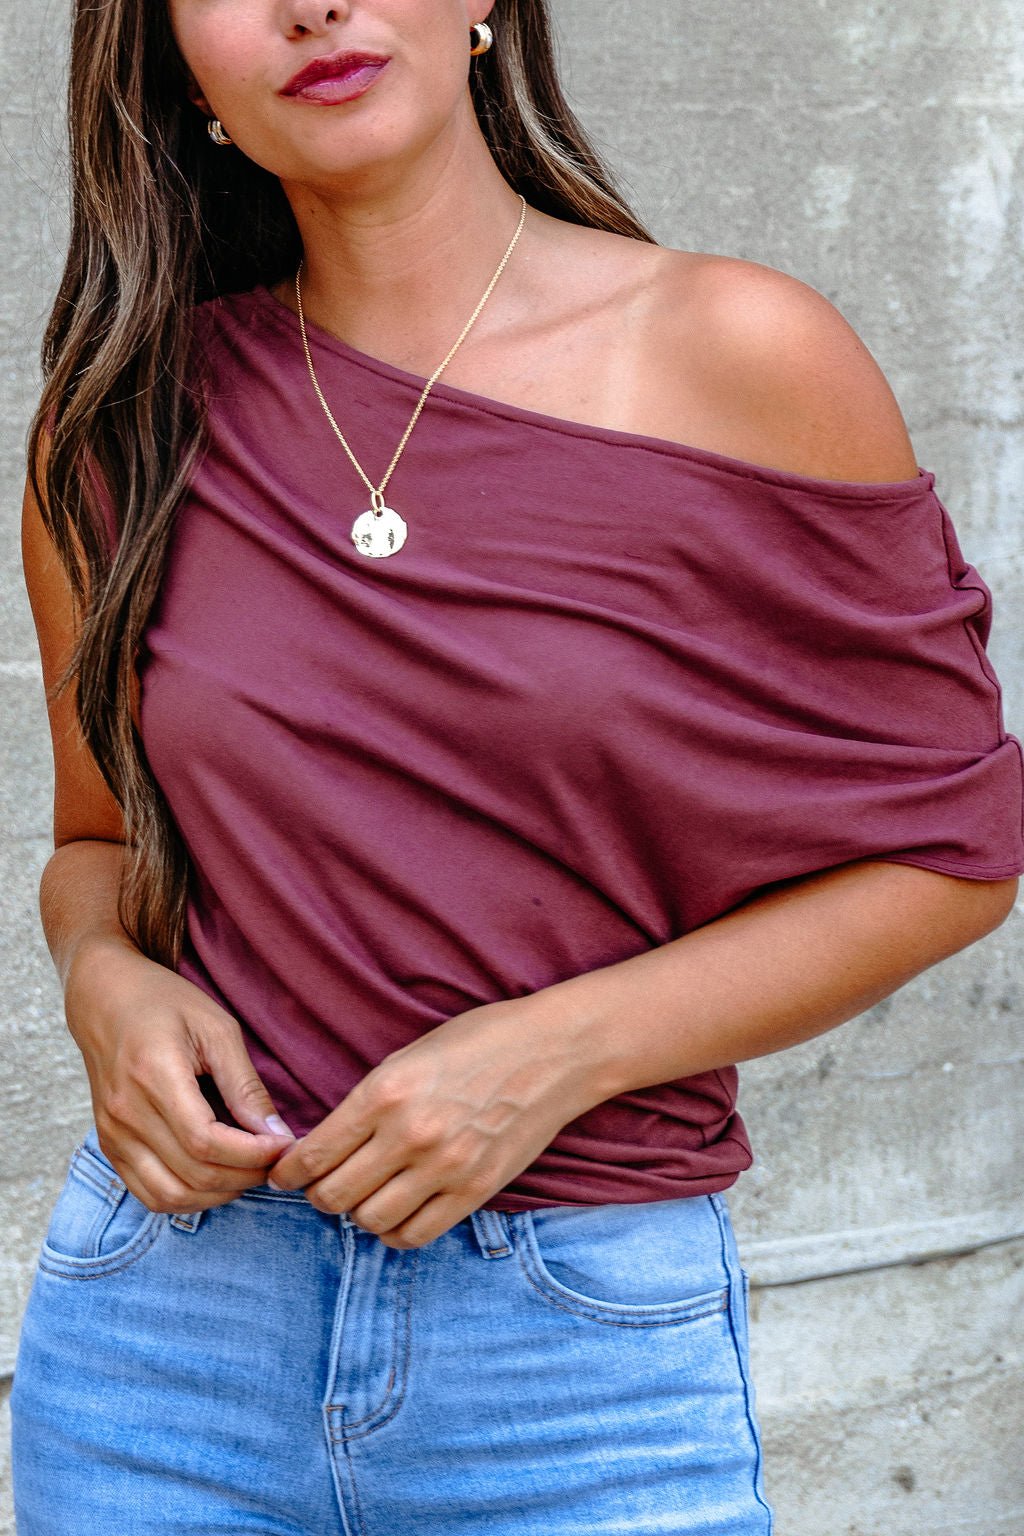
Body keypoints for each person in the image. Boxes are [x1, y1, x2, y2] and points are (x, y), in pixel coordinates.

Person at [10, 1, 1024, 1532]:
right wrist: (104, 977)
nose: (310, 5)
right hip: (168, 1330)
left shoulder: (737, 354)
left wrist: (554, 1056)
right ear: (173, 62)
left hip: (574, 1350)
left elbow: (955, 855)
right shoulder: (125, 424)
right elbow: (96, 842)